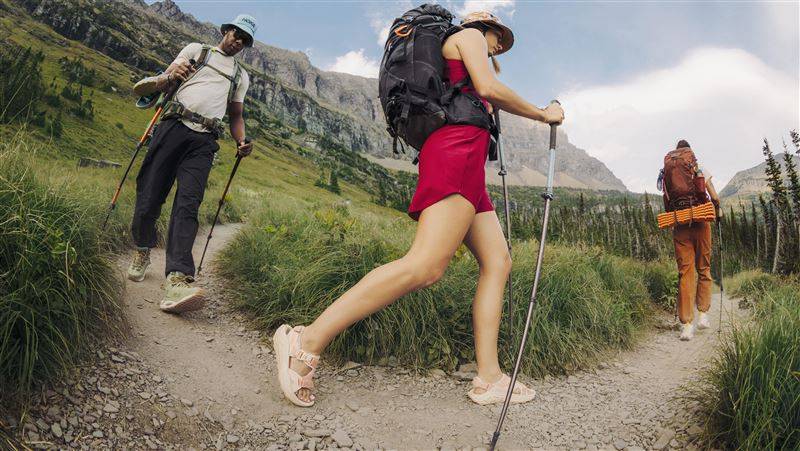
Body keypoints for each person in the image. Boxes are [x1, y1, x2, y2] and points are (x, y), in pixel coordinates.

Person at [272, 10, 564, 407]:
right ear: (486, 28)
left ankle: (489, 377)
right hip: (457, 155)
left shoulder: (458, 56)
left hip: (467, 164)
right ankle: (305, 341)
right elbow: (489, 86)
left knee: (498, 261)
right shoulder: (470, 36)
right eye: (500, 38)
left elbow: (478, 92)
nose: (499, 47)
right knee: (425, 266)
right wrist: (544, 114)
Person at [126, 14, 256, 313]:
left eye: (244, 40)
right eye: (236, 34)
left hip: (205, 140)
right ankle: (143, 249)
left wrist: (241, 141)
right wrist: (172, 74)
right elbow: (166, 78)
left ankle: (177, 278)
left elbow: (236, 115)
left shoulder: (240, 76)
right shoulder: (197, 50)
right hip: (173, 126)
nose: (238, 42)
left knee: (188, 204)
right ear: (226, 31)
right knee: (149, 195)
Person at [661, 139, 722, 341]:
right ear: (689, 152)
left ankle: (687, 326)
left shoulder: (667, 171)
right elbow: (714, 195)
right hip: (701, 221)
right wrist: (717, 209)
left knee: (685, 273)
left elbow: (666, 199)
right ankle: (703, 315)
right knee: (703, 268)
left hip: (680, 224)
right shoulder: (698, 166)